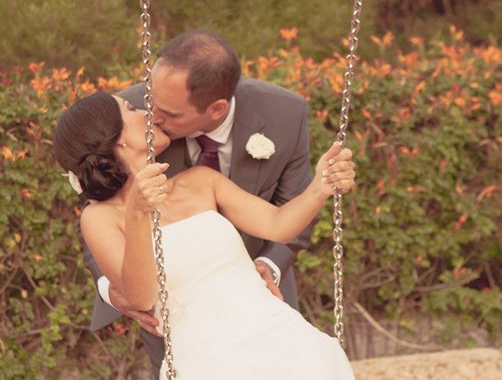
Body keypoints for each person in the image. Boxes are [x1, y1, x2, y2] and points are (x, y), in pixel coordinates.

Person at [54, 91, 356, 378]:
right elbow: (143, 296)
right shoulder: (100, 218)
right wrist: (137, 212)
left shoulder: (200, 181)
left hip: (282, 336)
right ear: (116, 140)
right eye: (131, 110)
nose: (148, 113)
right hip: (208, 359)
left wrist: (320, 186)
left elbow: (278, 225)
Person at [83, 30, 318, 377]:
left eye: (168, 113)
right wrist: (116, 291)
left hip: (262, 308)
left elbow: (291, 208)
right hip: (177, 322)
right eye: (147, 103)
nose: (152, 117)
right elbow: (100, 221)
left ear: (216, 109)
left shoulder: (285, 114)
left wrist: (270, 265)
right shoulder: (123, 119)